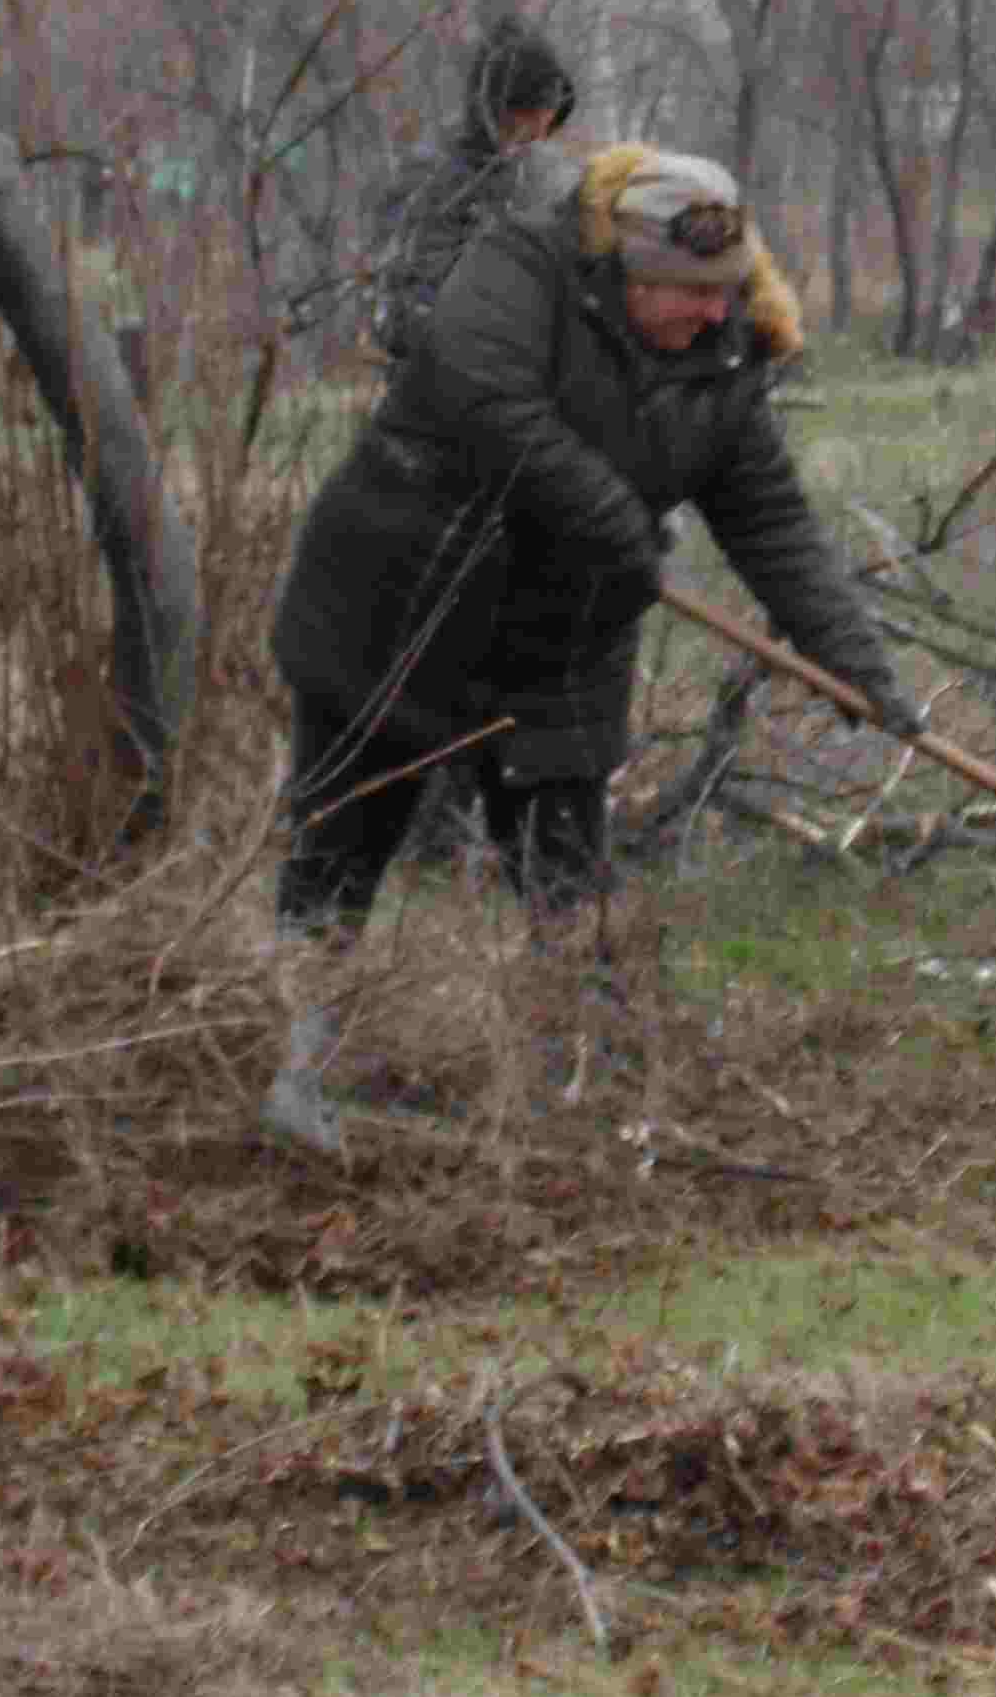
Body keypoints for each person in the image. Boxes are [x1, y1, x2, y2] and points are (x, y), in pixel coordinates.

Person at [260, 143, 914, 1157]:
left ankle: (594, 1095)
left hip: (562, 641)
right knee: (342, 847)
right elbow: (486, 399)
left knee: (565, 876)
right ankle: (288, 1068)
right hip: (401, 604)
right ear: (623, 273)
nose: (712, 313)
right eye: (689, 293)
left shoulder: (725, 368)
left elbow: (774, 527)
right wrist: (618, 518)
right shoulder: (520, 272)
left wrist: (857, 667)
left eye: (725, 292)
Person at [366, 19, 580, 363]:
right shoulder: (431, 180)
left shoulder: (541, 177)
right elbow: (397, 312)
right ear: (496, 109)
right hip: (441, 381)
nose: (534, 140)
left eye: (545, 126)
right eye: (525, 125)